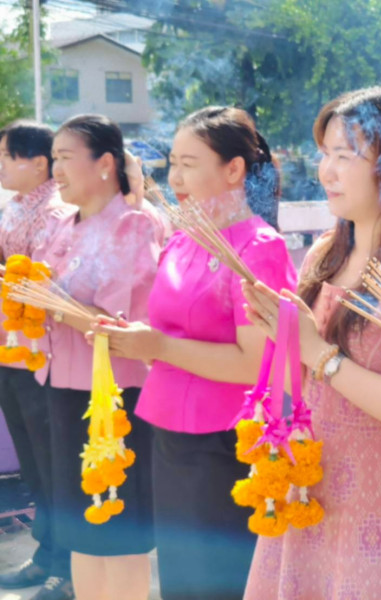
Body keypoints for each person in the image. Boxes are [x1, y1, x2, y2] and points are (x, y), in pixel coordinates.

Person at [241, 86, 381, 599]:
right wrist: (280, 336)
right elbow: (303, 388)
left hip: (379, 501)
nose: (327, 171)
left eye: (345, 155)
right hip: (309, 487)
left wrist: (318, 353)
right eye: (325, 154)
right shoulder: (325, 253)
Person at [93, 106, 297, 600]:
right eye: (172, 164)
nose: (176, 178)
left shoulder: (259, 248)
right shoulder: (183, 238)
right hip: (169, 430)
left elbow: (257, 364)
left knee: (219, 583)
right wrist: (137, 340)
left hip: (225, 442)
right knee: (181, 579)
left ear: (234, 169)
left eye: (189, 164)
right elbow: (171, 333)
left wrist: (159, 346)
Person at [32, 114, 165, 600]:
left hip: (113, 396)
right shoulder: (63, 224)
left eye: (66, 158)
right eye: (54, 158)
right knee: (80, 528)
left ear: (105, 163)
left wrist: (50, 302)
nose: (56, 170)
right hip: (63, 390)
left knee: (118, 529)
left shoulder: (131, 225)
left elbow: (123, 327)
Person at [0, 122, 73, 600]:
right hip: (10, 352)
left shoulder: (57, 213)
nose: (1, 165)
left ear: (39, 163)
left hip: (42, 357)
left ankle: (66, 567)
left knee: (53, 465)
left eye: (8, 156)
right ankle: (46, 554)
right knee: (32, 465)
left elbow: (49, 283)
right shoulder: (14, 207)